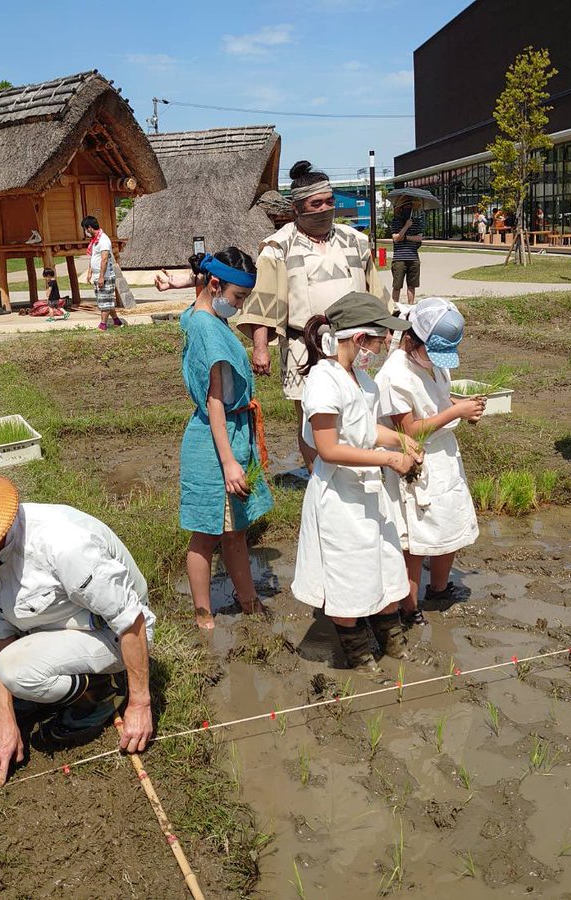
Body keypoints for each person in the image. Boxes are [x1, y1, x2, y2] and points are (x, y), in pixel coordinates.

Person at [0, 473, 155, 788]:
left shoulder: (63, 544)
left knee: (14, 669)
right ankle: (38, 687)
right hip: (52, 617)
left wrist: (140, 703)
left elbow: (130, 619)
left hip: (109, 632)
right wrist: (3, 721)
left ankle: (99, 693)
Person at [292, 291, 420, 672]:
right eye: (381, 341)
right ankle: (360, 656)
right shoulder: (323, 381)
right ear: (361, 338)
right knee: (348, 576)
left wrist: (400, 439)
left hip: (368, 490)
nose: (383, 349)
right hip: (338, 496)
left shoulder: (363, 380)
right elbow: (328, 448)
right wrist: (389, 459)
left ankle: (392, 642)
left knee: (385, 566)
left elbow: (365, 432)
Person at [238, 161, 391, 470]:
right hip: (302, 345)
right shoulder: (278, 246)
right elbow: (264, 301)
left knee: (356, 404)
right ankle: (318, 475)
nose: (325, 209)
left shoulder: (356, 241)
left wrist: (386, 330)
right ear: (297, 208)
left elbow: (376, 292)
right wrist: (259, 348)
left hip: (352, 342)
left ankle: (351, 466)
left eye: (330, 201)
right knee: (311, 413)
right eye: (316, 203)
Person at [179, 248, 273, 629]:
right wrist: (230, 462)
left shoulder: (203, 315)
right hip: (217, 440)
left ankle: (247, 599)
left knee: (236, 529)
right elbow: (214, 400)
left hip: (232, 433)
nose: (240, 305)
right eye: (238, 298)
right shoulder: (206, 329)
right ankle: (204, 615)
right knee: (206, 534)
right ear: (215, 284)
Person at [376, 298, 484, 626]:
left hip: (444, 456)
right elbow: (408, 429)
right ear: (412, 339)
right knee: (416, 536)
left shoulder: (431, 361)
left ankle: (438, 588)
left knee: (448, 520)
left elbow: (438, 396)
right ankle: (409, 606)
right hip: (415, 460)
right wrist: (455, 412)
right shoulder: (395, 374)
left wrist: (460, 404)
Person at [83, 216, 122, 331]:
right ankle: (116, 321)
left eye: (85, 229)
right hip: (96, 275)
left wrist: (101, 277)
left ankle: (103, 325)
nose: (85, 232)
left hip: (105, 276)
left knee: (105, 302)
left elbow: (104, 259)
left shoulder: (103, 240)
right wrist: (90, 272)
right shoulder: (95, 241)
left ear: (89, 228)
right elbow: (93, 257)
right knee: (105, 299)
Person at [389, 200, 424, 304]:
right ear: (401, 208)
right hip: (399, 258)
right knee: (397, 286)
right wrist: (406, 226)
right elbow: (395, 238)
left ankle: (410, 306)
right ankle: (395, 306)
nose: (408, 208)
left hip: (413, 258)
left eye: (410, 206)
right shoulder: (396, 221)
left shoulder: (416, 222)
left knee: (412, 285)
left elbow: (419, 238)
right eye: (405, 206)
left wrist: (405, 238)